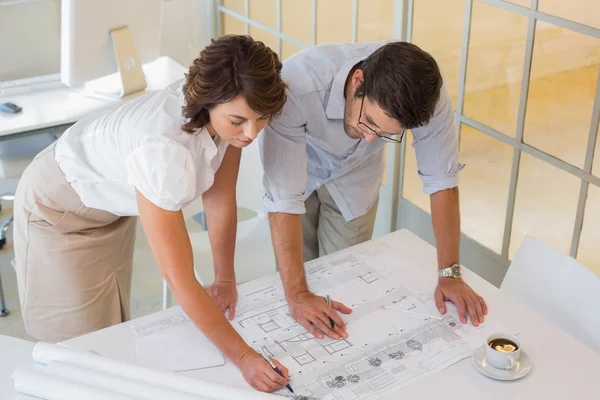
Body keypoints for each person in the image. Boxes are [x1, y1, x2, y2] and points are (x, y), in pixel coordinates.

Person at [13, 35, 290, 392]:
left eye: (262, 118)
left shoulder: (229, 113)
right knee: (77, 350)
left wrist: (224, 279)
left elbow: (219, 198)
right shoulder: (163, 150)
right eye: (239, 121)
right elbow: (179, 279)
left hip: (110, 206)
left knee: (112, 327)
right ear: (209, 103)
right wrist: (244, 357)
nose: (251, 133)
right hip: (58, 209)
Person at [256, 40, 488, 340]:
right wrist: (298, 295)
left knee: (344, 280)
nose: (370, 138)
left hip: (357, 177)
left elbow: (441, 181)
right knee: (297, 285)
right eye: (369, 122)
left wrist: (450, 275)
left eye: (384, 134)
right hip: (301, 163)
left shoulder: (428, 95)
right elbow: (283, 199)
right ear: (358, 82)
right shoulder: (297, 86)